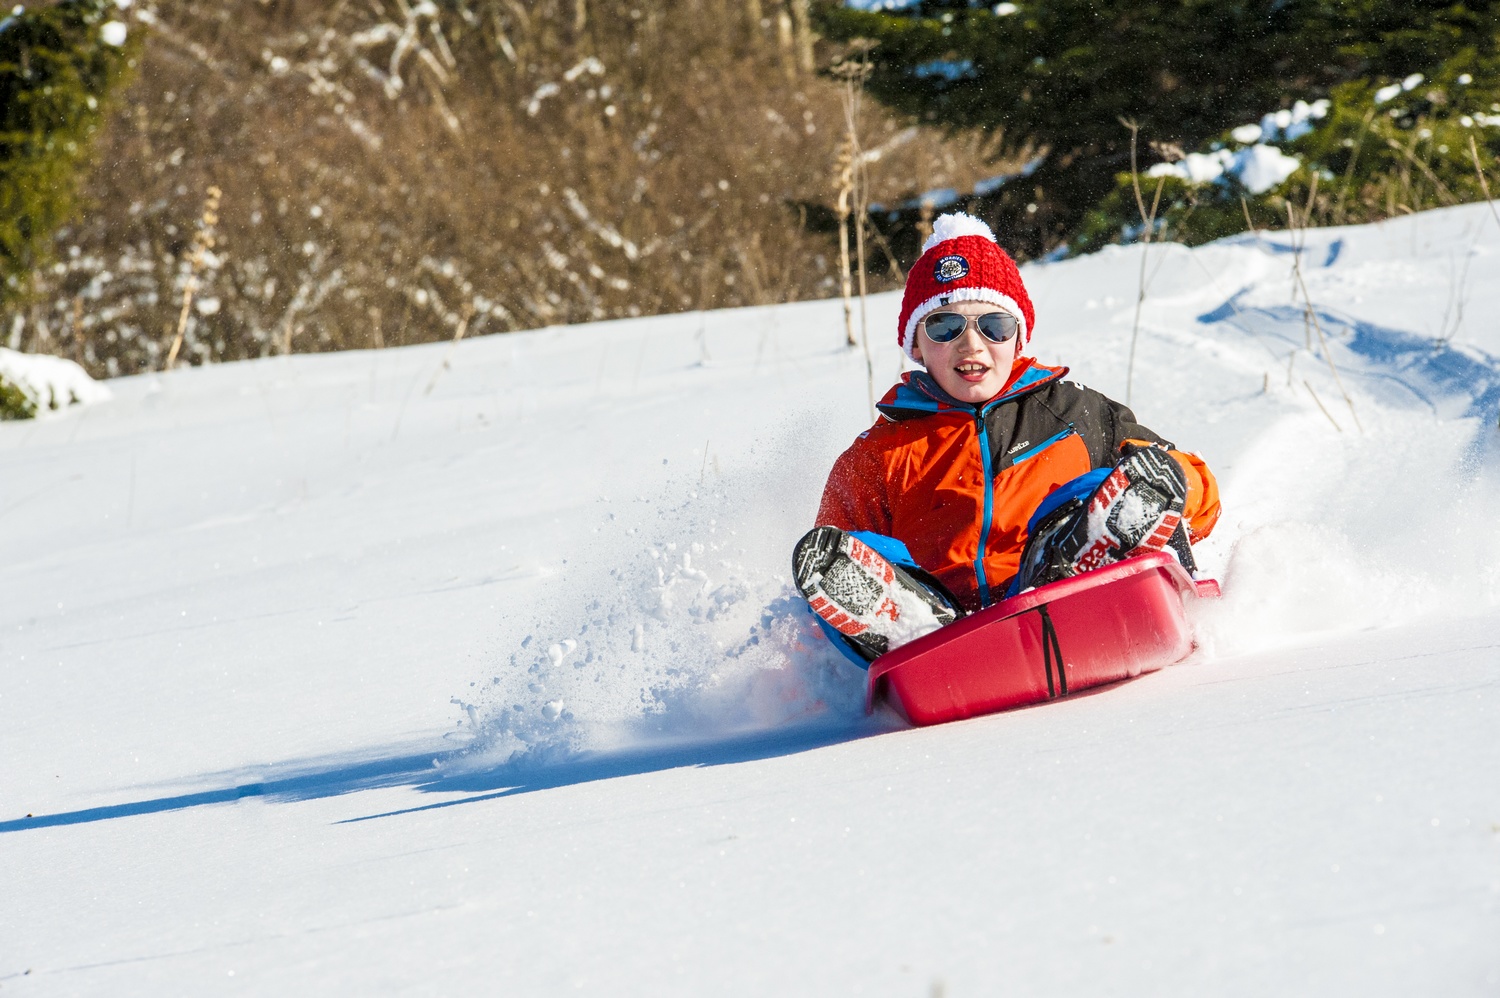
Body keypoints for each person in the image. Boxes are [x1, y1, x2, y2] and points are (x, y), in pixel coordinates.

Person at [792, 212, 1221, 664]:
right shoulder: (880, 453)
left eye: (993, 326)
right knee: (859, 553)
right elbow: (830, 569)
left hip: (1058, 596)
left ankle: (1080, 568)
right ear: (915, 344)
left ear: (1018, 337)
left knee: (1098, 492)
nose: (971, 344)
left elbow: (1195, 494)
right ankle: (908, 624)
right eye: (944, 326)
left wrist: (1170, 483)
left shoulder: (1076, 413)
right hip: (951, 632)